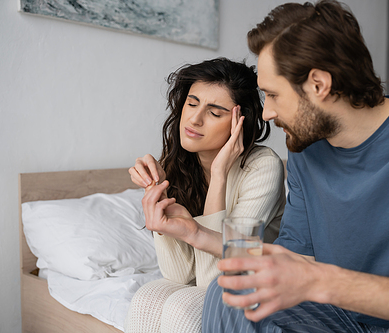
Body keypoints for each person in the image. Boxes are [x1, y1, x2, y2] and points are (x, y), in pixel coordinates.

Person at [202, 1, 389, 332]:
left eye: (273, 95)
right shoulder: (306, 150)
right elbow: (296, 261)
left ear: (319, 85)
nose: (267, 114)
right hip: (340, 318)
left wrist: (325, 281)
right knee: (233, 290)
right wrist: (195, 234)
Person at [123, 57, 286, 333]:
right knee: (145, 299)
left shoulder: (263, 166)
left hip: (256, 283)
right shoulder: (181, 162)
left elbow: (212, 278)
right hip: (211, 282)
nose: (194, 119)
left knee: (181, 307)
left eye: (214, 112)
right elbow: (178, 275)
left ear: (239, 123)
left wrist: (220, 174)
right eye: (192, 103)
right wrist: (157, 194)